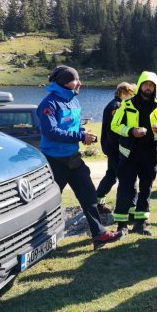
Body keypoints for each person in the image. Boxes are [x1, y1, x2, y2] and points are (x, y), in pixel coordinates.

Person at [37, 65, 122, 249]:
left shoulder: (74, 101)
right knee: (48, 201)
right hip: (54, 161)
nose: (80, 83)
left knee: (89, 195)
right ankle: (37, 239)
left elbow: (72, 127)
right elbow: (51, 132)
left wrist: (82, 132)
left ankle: (99, 234)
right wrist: (80, 136)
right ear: (64, 82)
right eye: (75, 79)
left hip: (73, 159)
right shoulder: (48, 104)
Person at [111, 71, 157, 235]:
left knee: (146, 189)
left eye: (152, 85)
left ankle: (141, 223)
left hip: (150, 154)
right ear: (140, 85)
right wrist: (131, 131)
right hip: (129, 155)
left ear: (155, 88)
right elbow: (114, 125)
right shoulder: (126, 105)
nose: (148, 88)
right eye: (146, 84)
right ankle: (122, 225)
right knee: (125, 188)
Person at [95, 82, 136, 214]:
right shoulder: (117, 106)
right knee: (126, 178)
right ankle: (129, 208)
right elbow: (114, 130)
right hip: (115, 149)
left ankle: (98, 201)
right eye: (130, 94)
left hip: (111, 147)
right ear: (123, 92)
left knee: (111, 176)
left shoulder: (113, 104)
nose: (131, 97)